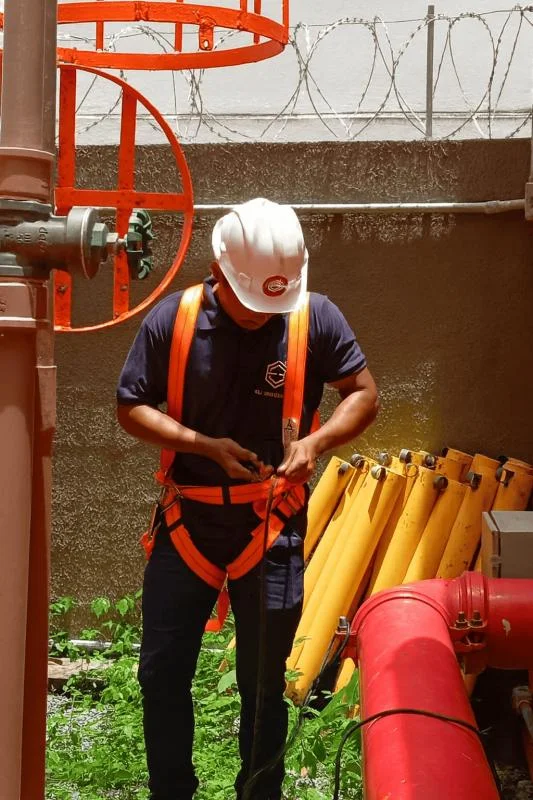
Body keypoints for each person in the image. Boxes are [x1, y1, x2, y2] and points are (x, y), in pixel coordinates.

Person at [116, 198, 379, 800]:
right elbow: (131, 406)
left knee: (263, 688)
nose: (264, 314)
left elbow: (363, 392)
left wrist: (315, 443)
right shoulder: (175, 321)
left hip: (271, 525)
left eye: (274, 302)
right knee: (161, 673)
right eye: (251, 300)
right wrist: (203, 446)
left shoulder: (313, 317)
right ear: (219, 270)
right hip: (188, 524)